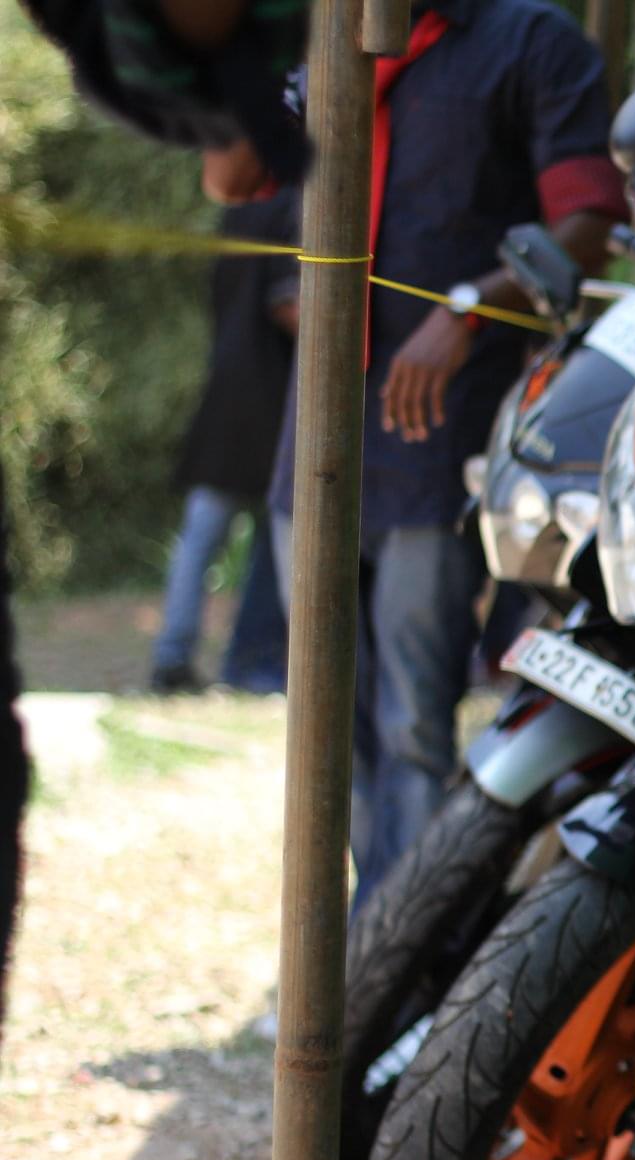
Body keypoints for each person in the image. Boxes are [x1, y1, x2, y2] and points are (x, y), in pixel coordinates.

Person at [263, 0, 623, 910]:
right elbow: (243, 177)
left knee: (412, 722)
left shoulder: (531, 42)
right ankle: (354, 941)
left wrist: (465, 309)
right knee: (322, 722)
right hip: (314, 436)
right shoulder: (327, 34)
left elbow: (585, 225)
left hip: (436, 437)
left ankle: (406, 948)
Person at [10, 0, 314, 1040]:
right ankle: (201, 657)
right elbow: (278, 284)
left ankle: (202, 656)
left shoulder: (256, 171)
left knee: (214, 542)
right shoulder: (283, 187)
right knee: (228, 544)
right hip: (262, 403)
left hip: (238, 395)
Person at [151, 191, 296, 695]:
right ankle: (245, 660)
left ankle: (177, 654)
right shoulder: (296, 204)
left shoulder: (243, 204)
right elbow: (290, 304)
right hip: (273, 400)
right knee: (270, 535)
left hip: (231, 392)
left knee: (206, 534)